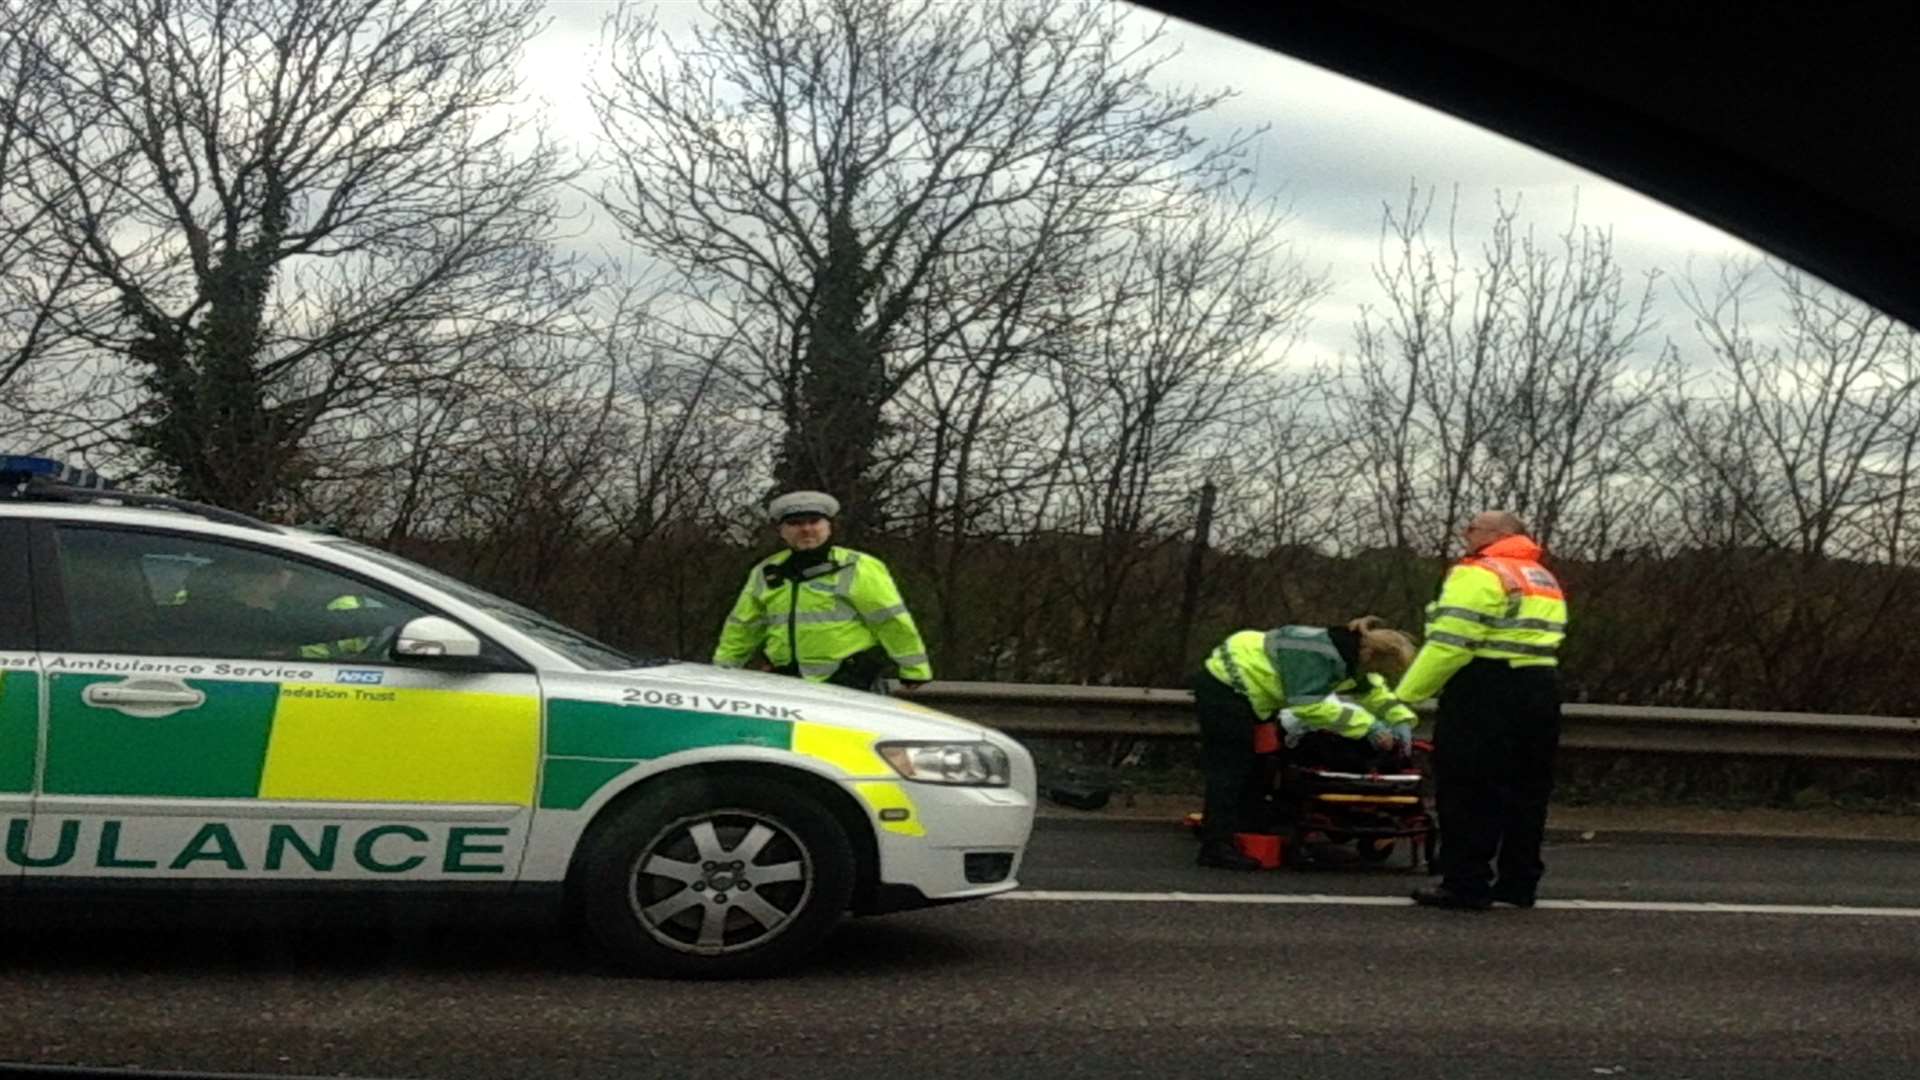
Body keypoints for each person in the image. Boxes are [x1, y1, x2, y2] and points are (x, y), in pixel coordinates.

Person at [1396, 510, 1568, 911]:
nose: (1465, 534)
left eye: (1472, 528)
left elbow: (1450, 644)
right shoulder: (1541, 577)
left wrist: (1405, 696)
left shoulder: (1479, 573)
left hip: (1486, 687)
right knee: (1527, 790)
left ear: (1499, 534)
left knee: (1468, 788)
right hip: (1541, 687)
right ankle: (1519, 882)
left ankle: (1465, 883)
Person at [1191, 618, 1418, 870]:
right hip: (1228, 685)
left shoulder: (1348, 654)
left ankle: (1244, 829)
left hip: (1253, 693)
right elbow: (1308, 706)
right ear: (1370, 654)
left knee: (1258, 767)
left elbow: (1375, 693)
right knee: (1230, 768)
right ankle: (1215, 847)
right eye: (1380, 667)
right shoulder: (1318, 655)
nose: (1379, 674)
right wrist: (1369, 727)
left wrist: (1401, 719)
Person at [713, 490, 932, 691]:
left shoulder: (858, 566)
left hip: (851, 681)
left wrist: (914, 670)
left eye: (814, 521)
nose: (806, 529)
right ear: (782, 531)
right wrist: (721, 673)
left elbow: (891, 620)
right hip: (787, 683)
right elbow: (743, 628)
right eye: (795, 523)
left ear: (829, 526)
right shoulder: (766, 572)